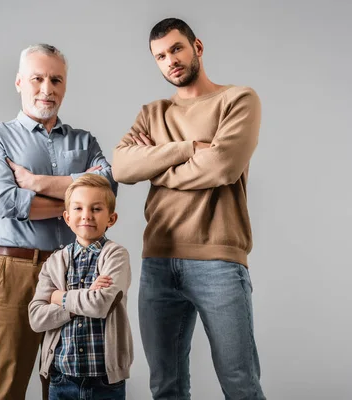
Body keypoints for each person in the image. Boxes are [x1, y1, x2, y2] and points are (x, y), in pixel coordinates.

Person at [112, 17, 266, 400]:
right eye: (160, 56)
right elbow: (122, 167)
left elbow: (222, 166)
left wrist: (157, 166)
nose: (170, 61)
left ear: (197, 46)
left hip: (218, 260)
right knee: (166, 387)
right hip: (159, 262)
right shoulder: (152, 113)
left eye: (176, 49)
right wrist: (185, 149)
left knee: (241, 385)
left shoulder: (238, 100)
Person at [0, 43, 117, 400]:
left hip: (73, 273)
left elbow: (107, 188)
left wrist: (36, 184)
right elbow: (4, 201)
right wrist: (76, 200)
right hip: (14, 270)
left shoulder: (83, 141)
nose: (47, 89)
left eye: (56, 79)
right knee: (7, 385)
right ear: (20, 82)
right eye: (38, 78)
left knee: (66, 385)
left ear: (65, 85)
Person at [29, 174, 133, 400]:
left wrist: (59, 297)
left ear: (111, 218)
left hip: (104, 381)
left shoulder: (116, 256)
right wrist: (81, 300)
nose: (86, 215)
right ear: (66, 217)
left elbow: (100, 305)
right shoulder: (54, 262)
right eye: (78, 209)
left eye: (96, 209)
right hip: (61, 377)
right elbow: (36, 317)